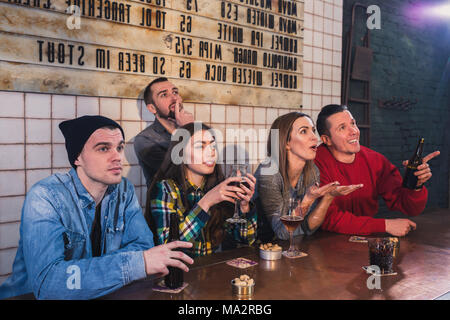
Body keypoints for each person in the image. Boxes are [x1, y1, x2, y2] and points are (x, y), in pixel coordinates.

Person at [0, 116, 193, 300]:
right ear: (77, 157)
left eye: (119, 147)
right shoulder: (45, 196)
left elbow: (142, 245)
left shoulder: (123, 189)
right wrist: (135, 264)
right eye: (103, 149)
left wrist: (88, 272)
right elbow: (49, 283)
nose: (117, 157)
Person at [314, 104, 440, 236]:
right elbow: (328, 219)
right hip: (323, 241)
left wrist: (416, 184)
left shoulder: (375, 160)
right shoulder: (316, 163)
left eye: (353, 123)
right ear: (326, 140)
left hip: (365, 240)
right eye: (342, 128)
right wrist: (385, 225)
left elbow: (409, 207)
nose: (354, 131)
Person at [145, 122, 258, 257]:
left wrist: (244, 207)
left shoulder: (218, 187)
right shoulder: (166, 189)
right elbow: (169, 248)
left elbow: (246, 240)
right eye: (200, 146)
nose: (211, 152)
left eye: (213, 145)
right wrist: (206, 202)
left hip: (214, 273)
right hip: (181, 274)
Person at [254, 112, 362, 242]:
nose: (314, 138)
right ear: (286, 142)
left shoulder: (312, 171)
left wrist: (329, 197)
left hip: (284, 248)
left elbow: (308, 228)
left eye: (313, 131)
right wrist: (308, 200)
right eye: (304, 131)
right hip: (248, 248)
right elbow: (282, 233)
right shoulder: (269, 172)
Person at [134, 77, 194, 186]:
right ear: (152, 108)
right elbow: (179, 173)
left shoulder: (193, 128)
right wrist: (188, 129)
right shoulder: (145, 139)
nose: (174, 98)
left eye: (175, 92)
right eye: (164, 95)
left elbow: (210, 169)